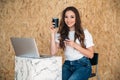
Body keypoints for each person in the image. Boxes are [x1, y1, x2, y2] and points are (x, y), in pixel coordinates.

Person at [50, 6, 94, 80]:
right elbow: (53, 52)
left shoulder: (84, 33)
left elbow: (91, 55)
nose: (68, 20)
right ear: (64, 19)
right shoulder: (61, 34)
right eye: (66, 17)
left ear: (76, 19)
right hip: (67, 64)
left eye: (72, 17)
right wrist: (52, 34)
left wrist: (75, 45)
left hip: (83, 65)